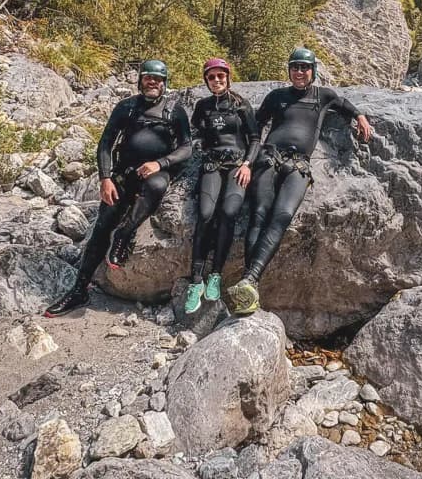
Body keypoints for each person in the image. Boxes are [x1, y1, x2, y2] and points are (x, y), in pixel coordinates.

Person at [227, 48, 373, 315]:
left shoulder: (323, 96)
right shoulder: (277, 97)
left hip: (299, 166)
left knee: (282, 215)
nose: (299, 72)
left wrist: (360, 117)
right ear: (289, 70)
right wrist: (248, 157)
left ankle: (249, 280)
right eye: (295, 67)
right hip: (269, 159)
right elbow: (256, 128)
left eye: (305, 68)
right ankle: (249, 286)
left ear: (313, 71)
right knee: (258, 214)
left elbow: (345, 105)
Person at [44, 59, 191, 317]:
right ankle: (79, 289)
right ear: (140, 80)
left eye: (157, 79)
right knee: (103, 224)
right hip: (124, 174)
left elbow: (186, 148)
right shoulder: (127, 107)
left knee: (156, 186)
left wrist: (160, 163)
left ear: (165, 84)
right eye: (148, 78)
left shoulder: (174, 111)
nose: (152, 83)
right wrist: (105, 178)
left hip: (155, 173)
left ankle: (124, 234)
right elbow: (106, 144)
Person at [182, 58, 260, 313]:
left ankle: (215, 273)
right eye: (212, 77)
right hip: (212, 166)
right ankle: (196, 280)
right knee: (205, 214)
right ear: (206, 80)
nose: (217, 81)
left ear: (228, 78)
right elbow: (193, 133)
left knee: (228, 214)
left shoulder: (241, 105)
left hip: (237, 165)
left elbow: (255, 138)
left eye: (220, 76)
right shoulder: (202, 106)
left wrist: (248, 163)